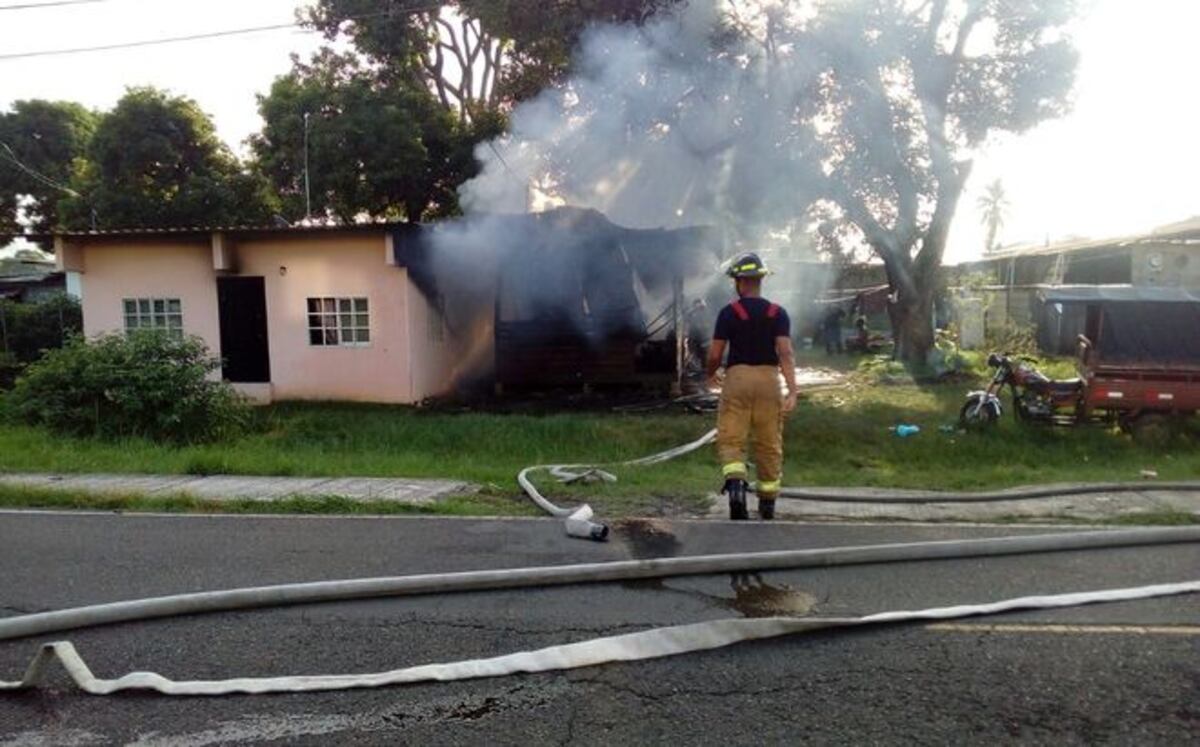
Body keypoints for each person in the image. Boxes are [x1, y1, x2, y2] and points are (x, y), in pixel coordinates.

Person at [705, 252, 797, 520]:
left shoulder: (729, 313)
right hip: (770, 381)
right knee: (769, 442)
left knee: (732, 438)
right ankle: (767, 503)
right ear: (760, 280)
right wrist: (792, 389)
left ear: (739, 282)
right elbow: (786, 352)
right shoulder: (777, 313)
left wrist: (711, 374)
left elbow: (714, 354)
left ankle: (735, 487)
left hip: (738, 378)